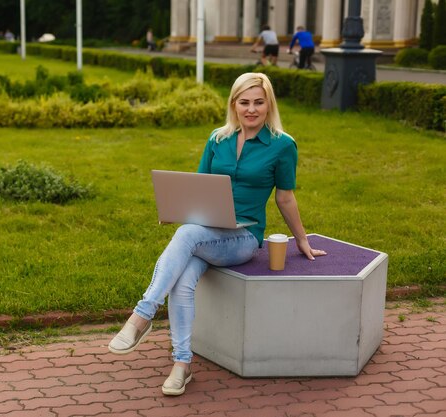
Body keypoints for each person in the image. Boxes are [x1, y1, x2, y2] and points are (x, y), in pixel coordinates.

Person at [108, 72, 327, 396]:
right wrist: (176, 209)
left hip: (243, 237)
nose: (251, 109)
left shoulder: (283, 145)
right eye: (244, 102)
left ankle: (142, 315)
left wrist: (302, 239)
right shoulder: (218, 139)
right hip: (207, 230)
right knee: (183, 277)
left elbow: (284, 197)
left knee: (187, 236)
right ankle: (182, 365)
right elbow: (199, 189)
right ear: (234, 105)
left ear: (269, 105)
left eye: (258, 102)